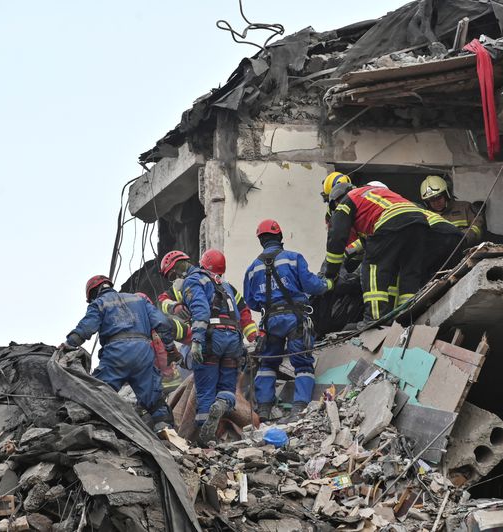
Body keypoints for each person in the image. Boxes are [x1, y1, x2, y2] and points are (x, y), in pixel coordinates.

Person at [323, 182, 458, 324]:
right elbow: (366, 242)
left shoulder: (346, 201)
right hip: (418, 223)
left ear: (336, 201)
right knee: (409, 271)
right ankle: (406, 315)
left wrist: (331, 274)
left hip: (391, 221)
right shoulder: (374, 194)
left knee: (372, 268)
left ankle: (373, 319)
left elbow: (336, 238)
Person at [60, 275, 179, 432]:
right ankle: (168, 435)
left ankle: (92, 431)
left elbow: (86, 328)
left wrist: (68, 345)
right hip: (143, 353)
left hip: (116, 355)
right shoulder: (139, 300)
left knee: (98, 394)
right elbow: (162, 322)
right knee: (154, 399)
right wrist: (169, 346)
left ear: (93, 293)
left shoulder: (99, 303)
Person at [244, 219, 333, 420]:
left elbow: (251, 302)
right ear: (280, 237)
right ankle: (299, 407)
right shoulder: (293, 259)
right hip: (295, 319)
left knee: (267, 364)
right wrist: (327, 284)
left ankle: (264, 409)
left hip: (269, 323)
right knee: (302, 364)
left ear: (261, 241)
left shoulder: (252, 269)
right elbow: (313, 286)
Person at [159, 250, 244, 444]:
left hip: (211, 338)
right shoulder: (224, 284)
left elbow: (200, 310)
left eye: (173, 274)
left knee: (205, 391)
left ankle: (207, 441)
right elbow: (238, 314)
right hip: (233, 338)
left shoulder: (193, 280)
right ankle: (222, 404)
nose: (175, 279)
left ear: (179, 266)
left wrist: (197, 340)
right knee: (227, 388)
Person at [420, 175, 484, 247]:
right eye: (431, 200)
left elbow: (478, 229)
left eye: (439, 197)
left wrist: (460, 238)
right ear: (427, 203)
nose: (436, 203)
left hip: (466, 252)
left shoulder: (465, 207)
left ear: (446, 195)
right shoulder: (425, 217)